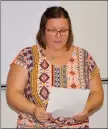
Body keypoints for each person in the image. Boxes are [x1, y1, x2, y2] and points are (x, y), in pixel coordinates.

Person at [6, 6, 104, 128]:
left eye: (63, 30)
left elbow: (97, 92)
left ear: (70, 31)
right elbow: (13, 92)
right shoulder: (27, 56)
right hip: (34, 125)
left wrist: (87, 108)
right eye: (52, 30)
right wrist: (33, 109)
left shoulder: (84, 56)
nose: (58, 35)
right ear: (43, 30)